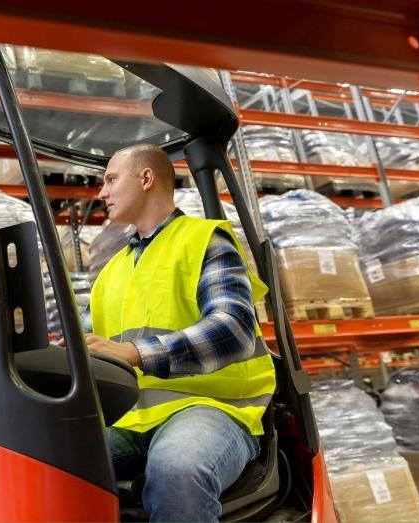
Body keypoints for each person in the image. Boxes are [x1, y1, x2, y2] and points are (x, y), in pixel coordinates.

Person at [83, 144, 276, 522]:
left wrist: (137, 353)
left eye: (110, 179)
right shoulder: (111, 271)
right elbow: (90, 344)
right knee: (44, 453)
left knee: (178, 469)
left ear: (146, 178)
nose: (101, 192)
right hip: (130, 417)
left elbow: (233, 327)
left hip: (212, 407)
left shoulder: (204, 240)